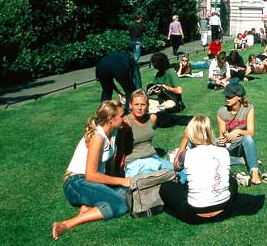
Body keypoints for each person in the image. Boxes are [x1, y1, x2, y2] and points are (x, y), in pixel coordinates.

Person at [52, 100, 130, 240]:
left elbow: (108, 167)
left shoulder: (112, 132)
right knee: (121, 204)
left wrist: (117, 182)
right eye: (122, 116)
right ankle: (68, 224)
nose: (124, 118)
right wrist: (122, 180)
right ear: (111, 120)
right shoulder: (98, 137)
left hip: (90, 182)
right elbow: (91, 175)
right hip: (75, 182)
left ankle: (88, 206)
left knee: (127, 192)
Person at [162, 116, 237, 224]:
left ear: (191, 133)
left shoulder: (186, 154)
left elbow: (175, 167)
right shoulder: (224, 151)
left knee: (165, 187)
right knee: (232, 181)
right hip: (224, 209)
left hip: (194, 213)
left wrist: (184, 140)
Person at [216, 83, 261, 185]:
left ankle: (254, 172)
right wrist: (223, 139)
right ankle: (242, 160)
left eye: (229, 96)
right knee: (208, 145)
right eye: (226, 96)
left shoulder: (248, 108)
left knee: (248, 138)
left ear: (239, 97)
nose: (226, 98)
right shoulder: (221, 112)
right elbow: (221, 135)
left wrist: (238, 131)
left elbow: (250, 132)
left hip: (240, 144)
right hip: (228, 146)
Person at [123, 90, 175, 177]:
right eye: (136, 104)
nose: (139, 108)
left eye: (143, 104)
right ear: (130, 105)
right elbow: (119, 148)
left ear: (147, 106)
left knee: (179, 170)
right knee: (150, 178)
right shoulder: (125, 122)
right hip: (134, 162)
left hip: (153, 158)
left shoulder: (152, 118)